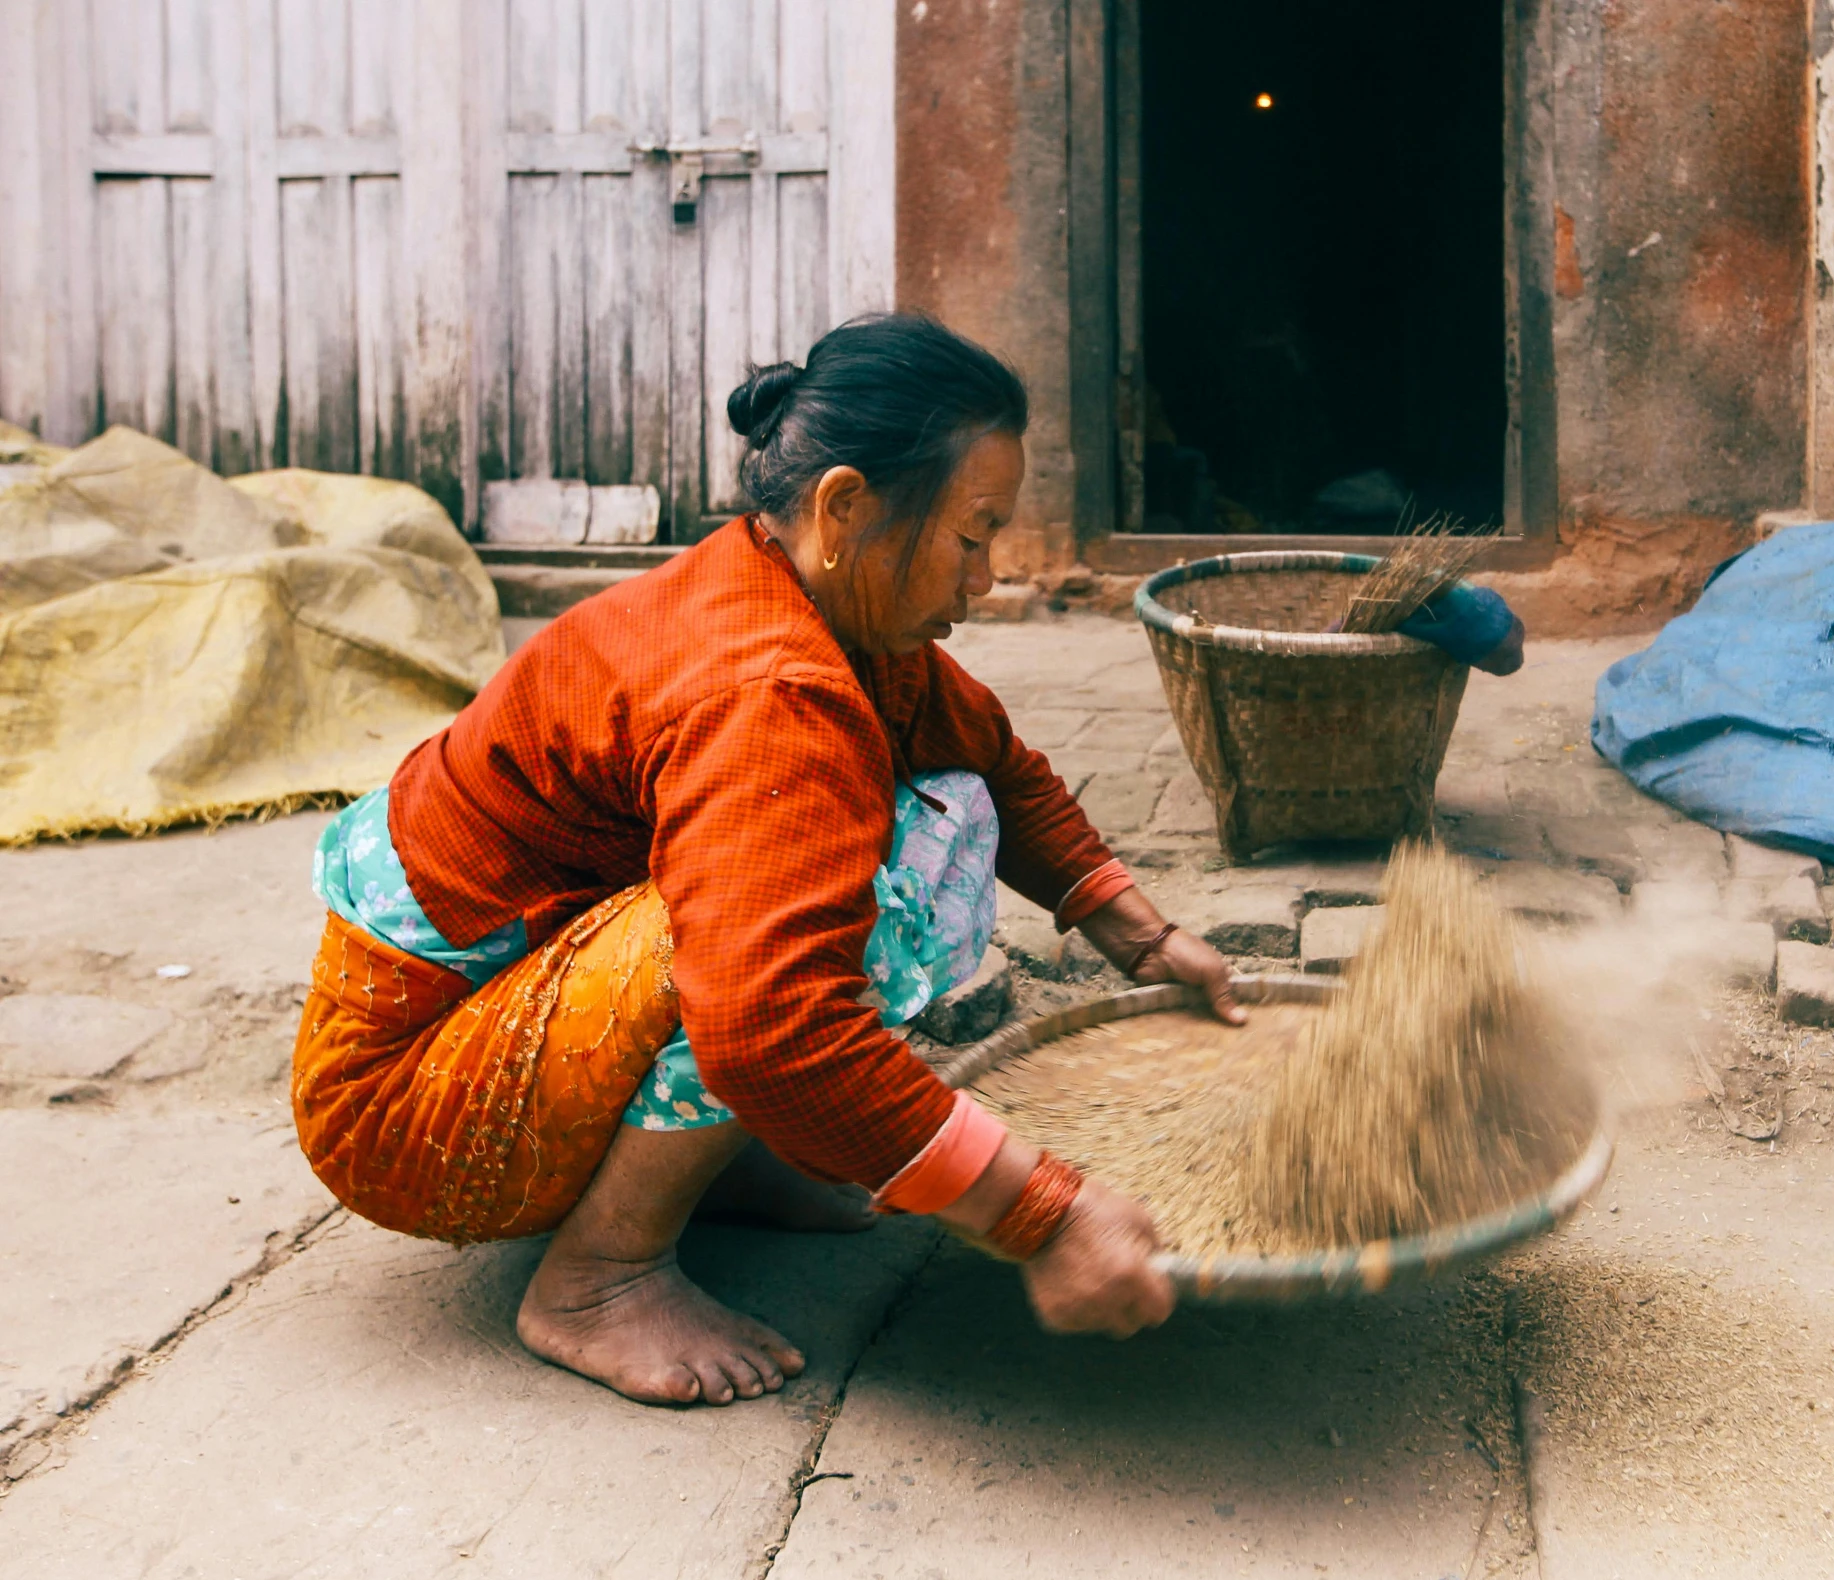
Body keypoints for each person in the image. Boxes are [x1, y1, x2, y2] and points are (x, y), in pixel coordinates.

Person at [290, 313, 1244, 1408]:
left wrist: (1144, 938)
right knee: (851, 935)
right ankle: (597, 1277)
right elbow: (775, 1028)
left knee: (921, 824)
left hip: (514, 991)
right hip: (405, 1111)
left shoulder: (809, 595)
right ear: (843, 509)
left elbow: (993, 759)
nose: (984, 577)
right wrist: (1043, 1213)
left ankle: (721, 1162)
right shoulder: (770, 689)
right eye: (972, 536)